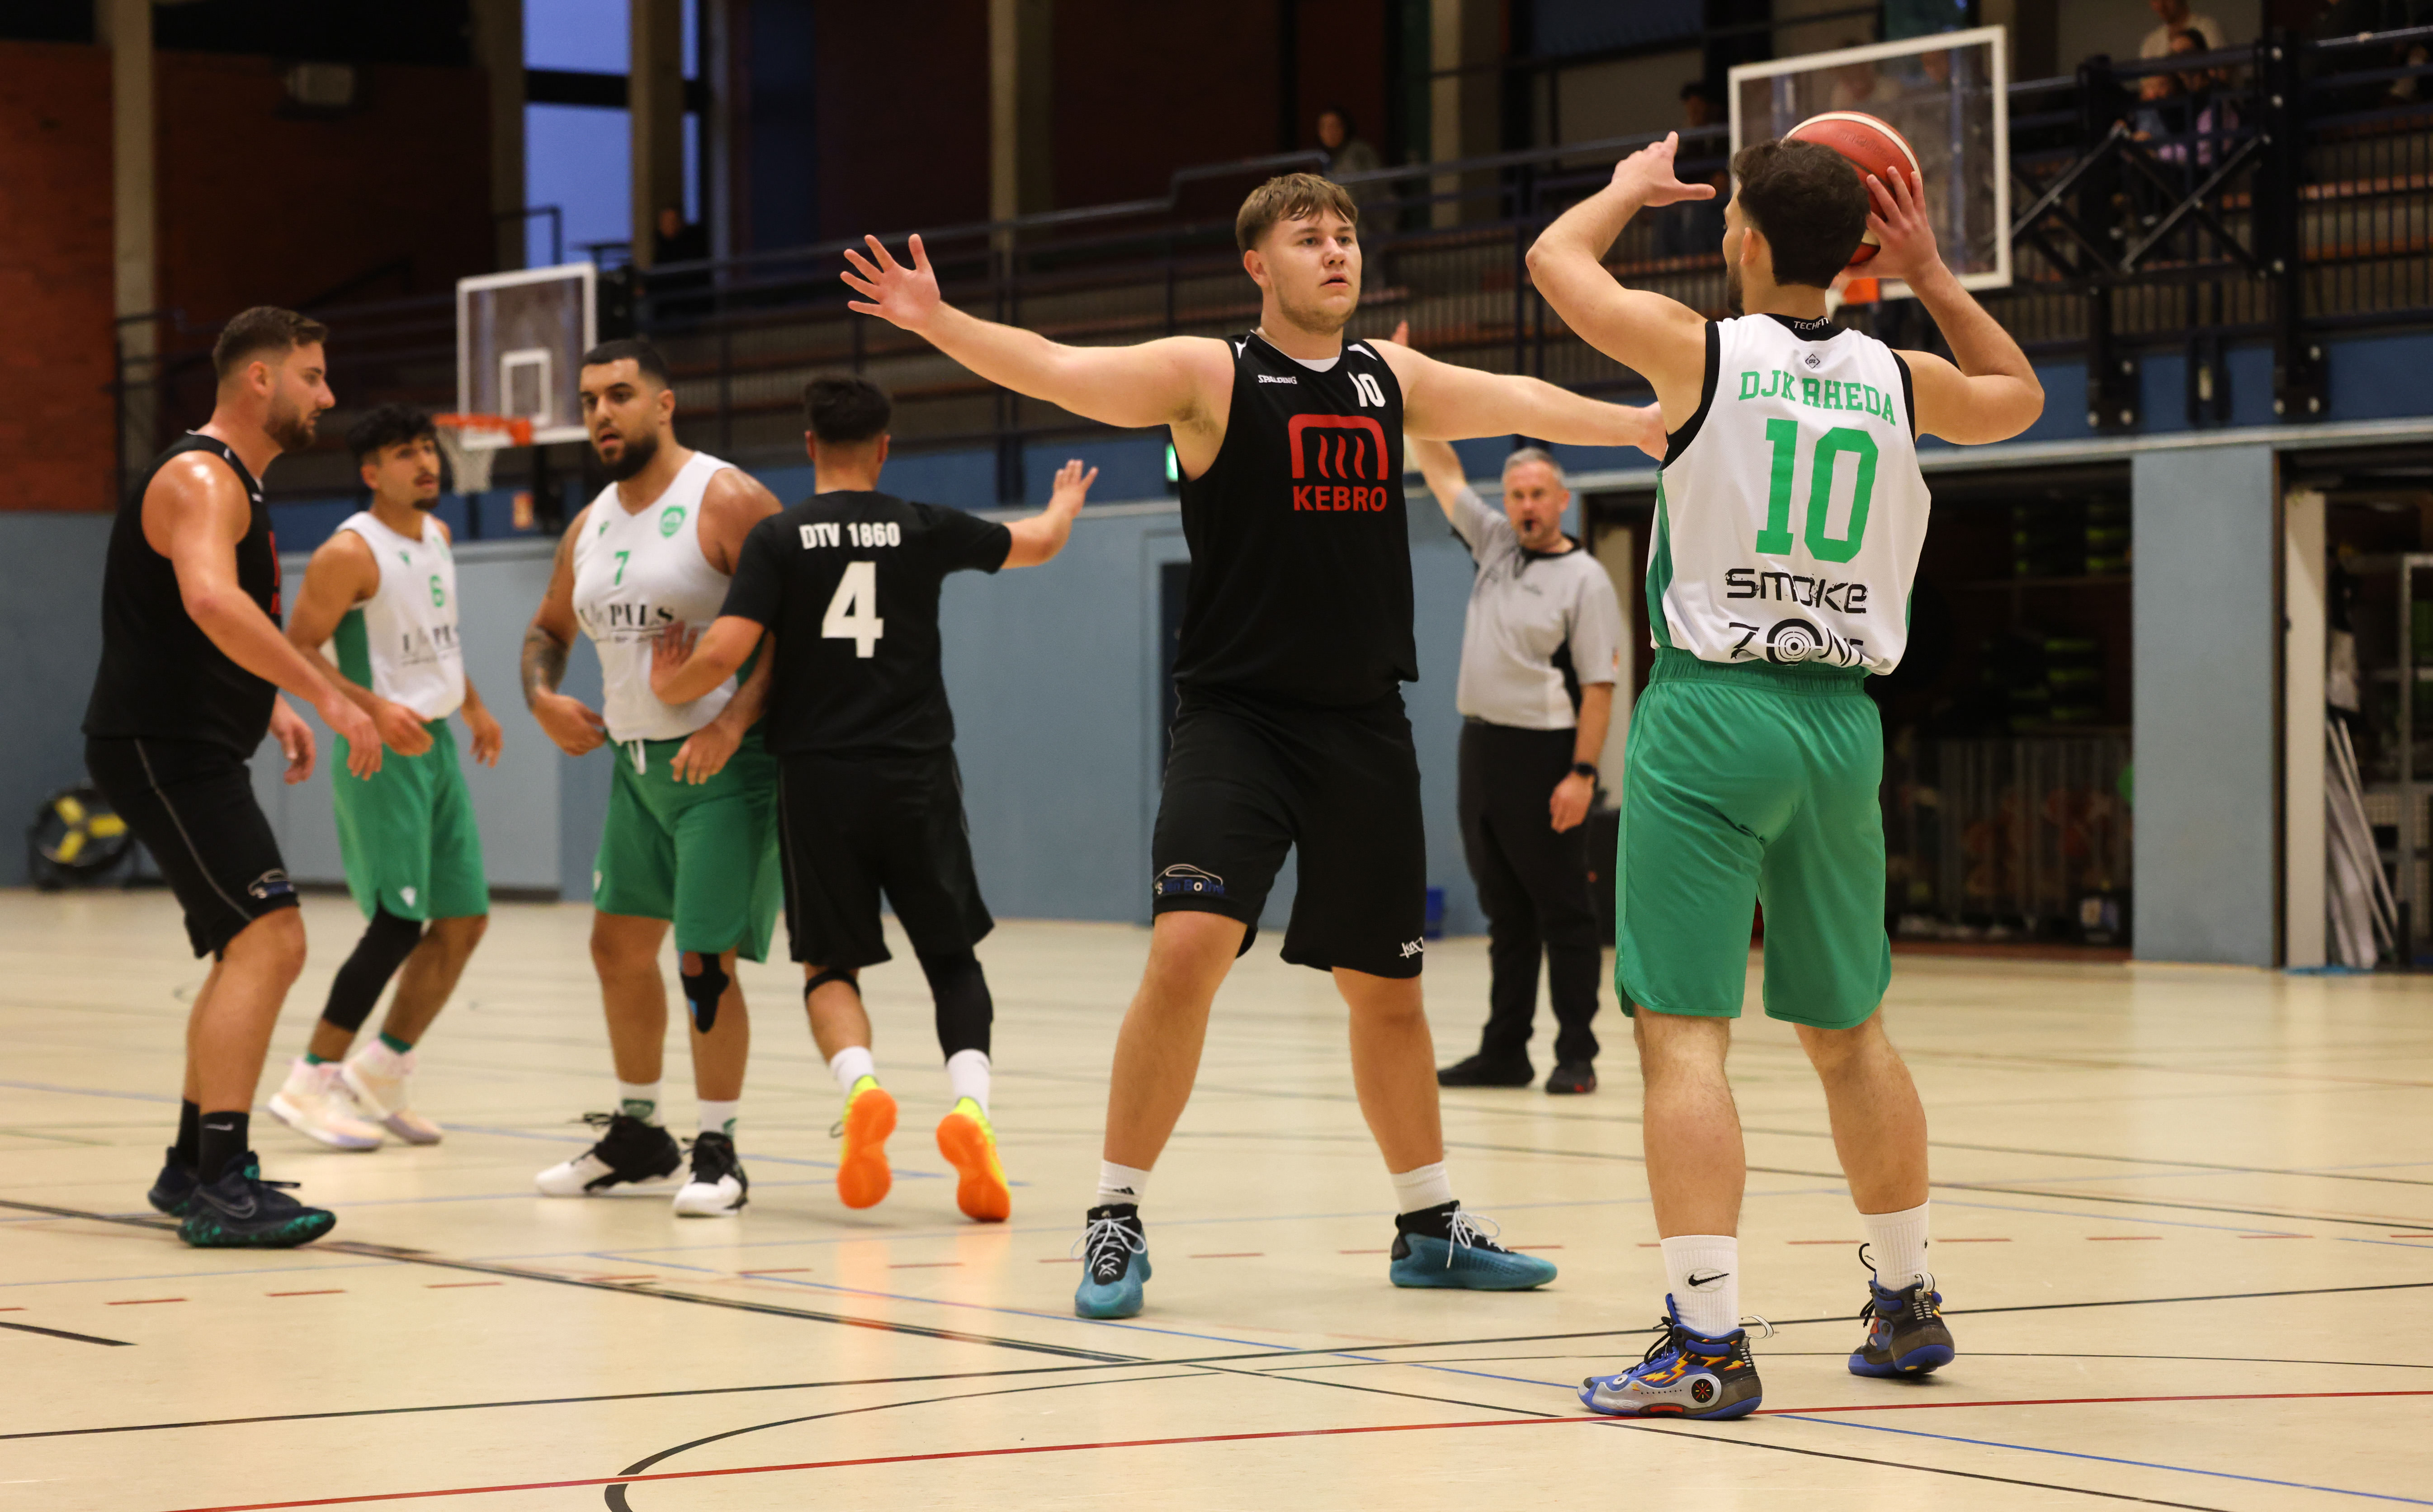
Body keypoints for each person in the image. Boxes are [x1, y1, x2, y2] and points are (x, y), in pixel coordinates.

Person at [841, 172, 1663, 1320]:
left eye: (1346, 235)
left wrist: (1631, 422)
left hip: (1362, 725)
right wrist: (938, 321)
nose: (1335, 252)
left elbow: (1514, 394)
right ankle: (1115, 1211)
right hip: (1238, 720)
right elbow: (1059, 369)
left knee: (1387, 990)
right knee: (1185, 950)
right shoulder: (1211, 374)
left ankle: (1427, 1223)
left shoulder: (1387, 379)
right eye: (1308, 236)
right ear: (1256, 265)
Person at [1526, 133, 2042, 1417]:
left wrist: (1626, 191)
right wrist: (1927, 271)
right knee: (1849, 1030)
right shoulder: (1899, 377)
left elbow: (1551, 261)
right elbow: (2018, 396)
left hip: (1712, 709)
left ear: (1744, 239)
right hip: (1839, 725)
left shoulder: (1697, 352)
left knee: (1681, 1033)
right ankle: (1905, 1298)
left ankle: (1704, 1341)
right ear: (1856, 253)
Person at [649, 375, 1097, 1223]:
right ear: (885, 447)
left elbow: (727, 652)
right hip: (915, 771)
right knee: (953, 960)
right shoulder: (922, 524)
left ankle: (862, 1090)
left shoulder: (778, 537)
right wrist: (1063, 506)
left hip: (818, 776)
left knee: (829, 965)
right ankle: (971, 1112)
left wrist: (670, 683)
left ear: (809, 444)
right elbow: (1036, 544)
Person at [83, 306, 386, 1247]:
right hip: (161, 746)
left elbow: (208, 625)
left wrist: (271, 704)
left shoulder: (234, 482)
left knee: (245, 946)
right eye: (313, 376)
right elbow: (212, 602)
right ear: (260, 378)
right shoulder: (201, 477)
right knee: (272, 938)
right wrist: (329, 696)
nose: (327, 395)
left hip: (190, 743)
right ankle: (222, 1180)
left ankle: (190, 1165)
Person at [521, 336, 785, 1218]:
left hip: (723, 767)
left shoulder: (727, 496)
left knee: (704, 960)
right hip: (634, 767)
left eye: (619, 394)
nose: (601, 412)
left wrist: (733, 721)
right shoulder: (589, 523)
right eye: (589, 399)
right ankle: (639, 1133)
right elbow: (548, 628)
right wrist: (540, 696)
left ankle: (719, 1149)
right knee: (617, 950)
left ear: (664, 404)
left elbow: (797, 623)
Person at [269, 405, 504, 1150]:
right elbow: (298, 647)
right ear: (372, 473)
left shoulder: (437, 535)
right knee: (398, 923)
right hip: (380, 750)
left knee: (464, 918)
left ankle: (382, 1070)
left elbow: (439, 642)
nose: (427, 462)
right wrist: (371, 708)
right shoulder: (349, 552)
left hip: (436, 743)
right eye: (406, 453)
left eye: (429, 448)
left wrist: (473, 704)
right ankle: (309, 1081)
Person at [1408, 435, 1625, 1097]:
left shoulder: (1585, 580)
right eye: (1516, 496)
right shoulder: (1495, 544)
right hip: (1481, 751)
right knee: (1504, 911)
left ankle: (1577, 1054)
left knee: (1563, 909)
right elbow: (1442, 471)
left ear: (1562, 500)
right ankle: (1504, 1052)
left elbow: (1598, 687)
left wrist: (1582, 774)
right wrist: (1411, 401)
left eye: (1537, 495)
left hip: (1546, 756)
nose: (1526, 506)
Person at [1318, 107, 1384, 207]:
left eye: (1335, 126)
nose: (1330, 132)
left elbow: (1374, 189)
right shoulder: (1318, 158)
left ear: (1345, 128)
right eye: (1324, 127)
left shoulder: (1359, 152)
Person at [2140, 0, 2224, 57]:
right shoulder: (2151, 43)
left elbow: (2221, 71)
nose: (2161, 6)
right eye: (2155, 1)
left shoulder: (2207, 28)